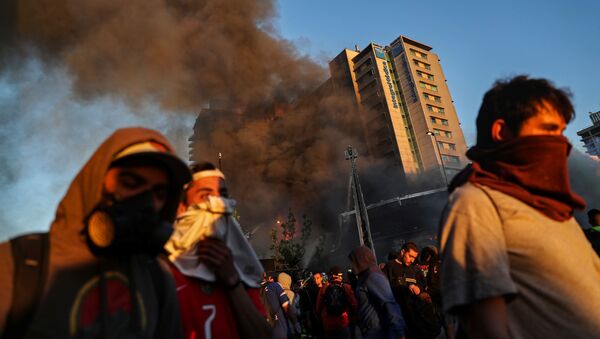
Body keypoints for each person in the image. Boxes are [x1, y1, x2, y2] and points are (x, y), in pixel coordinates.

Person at [439, 75, 600, 338]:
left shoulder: (553, 209)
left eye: (560, 132)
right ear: (501, 132)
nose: (562, 144)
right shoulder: (476, 203)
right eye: (548, 130)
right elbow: (486, 328)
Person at [0, 127, 191, 338]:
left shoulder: (158, 278)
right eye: (130, 183)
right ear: (96, 179)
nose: (147, 203)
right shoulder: (17, 262)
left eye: (159, 193)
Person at [164, 162, 271, 339]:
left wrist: (232, 282)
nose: (218, 204)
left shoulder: (240, 273)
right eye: (205, 195)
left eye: (223, 196)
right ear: (182, 208)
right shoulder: (163, 271)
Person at [383, 242, 439, 339]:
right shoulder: (390, 266)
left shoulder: (414, 268)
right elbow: (384, 289)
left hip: (415, 313)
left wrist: (418, 289)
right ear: (402, 252)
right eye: (410, 256)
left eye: (414, 257)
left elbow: (420, 285)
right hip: (399, 314)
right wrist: (405, 287)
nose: (412, 260)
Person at [349, 246, 405, 339]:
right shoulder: (364, 277)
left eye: (353, 262)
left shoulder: (373, 276)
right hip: (371, 331)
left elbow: (389, 303)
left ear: (361, 260)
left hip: (379, 332)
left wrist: (399, 332)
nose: (351, 266)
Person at [315, 266, 357, 339]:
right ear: (340, 275)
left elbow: (318, 307)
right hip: (343, 321)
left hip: (328, 324)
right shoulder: (346, 287)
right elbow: (354, 304)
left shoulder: (324, 288)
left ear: (331, 275)